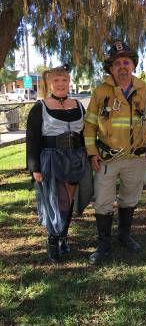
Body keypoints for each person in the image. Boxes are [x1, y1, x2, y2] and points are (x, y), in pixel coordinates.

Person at [84, 40, 146, 265]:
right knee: (103, 201)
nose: (122, 66)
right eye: (117, 63)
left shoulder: (145, 90)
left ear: (133, 65)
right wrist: (92, 153)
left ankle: (124, 234)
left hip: (137, 158)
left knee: (130, 198)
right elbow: (89, 124)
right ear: (110, 68)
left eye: (126, 62)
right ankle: (103, 244)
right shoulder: (101, 91)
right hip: (107, 159)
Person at [26, 66, 87, 263]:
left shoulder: (78, 104)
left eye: (64, 80)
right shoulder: (40, 106)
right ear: (49, 84)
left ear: (69, 82)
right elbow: (32, 139)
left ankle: (63, 237)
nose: (61, 85)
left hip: (75, 158)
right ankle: (53, 241)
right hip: (51, 159)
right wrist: (34, 167)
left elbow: (86, 134)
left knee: (68, 201)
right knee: (57, 201)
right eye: (56, 81)